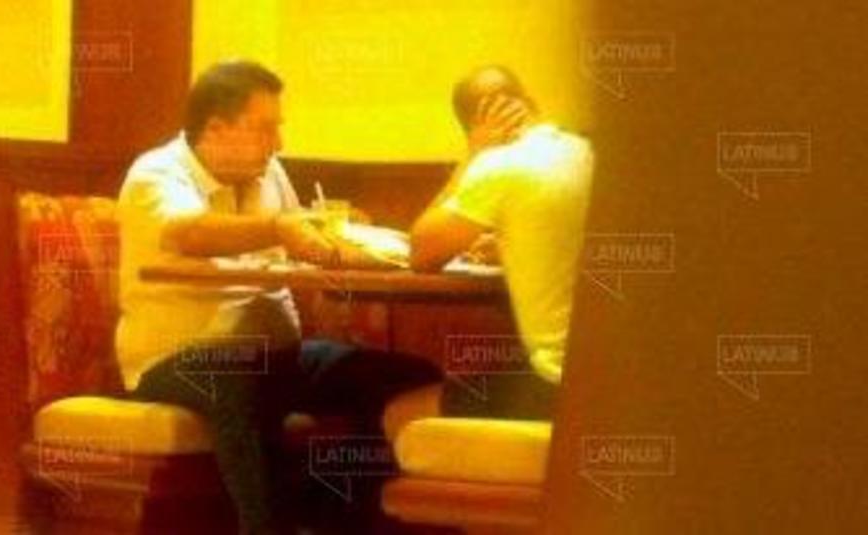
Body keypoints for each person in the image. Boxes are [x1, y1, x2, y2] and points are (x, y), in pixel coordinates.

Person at [116, 60, 438, 534]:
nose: (279, 143)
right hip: (176, 359)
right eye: (266, 128)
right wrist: (279, 228)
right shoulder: (157, 173)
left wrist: (344, 241)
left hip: (277, 355)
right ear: (216, 128)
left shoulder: (269, 172)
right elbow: (189, 233)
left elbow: (300, 239)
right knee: (243, 380)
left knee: (401, 377)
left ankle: (342, 522)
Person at [409, 65, 594, 420]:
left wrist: (474, 154)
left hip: (557, 385)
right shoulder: (584, 150)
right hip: (618, 376)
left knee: (400, 413)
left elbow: (421, 253)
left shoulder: (498, 164)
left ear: (473, 126)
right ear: (531, 103)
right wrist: (511, 244)